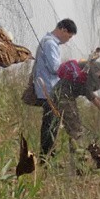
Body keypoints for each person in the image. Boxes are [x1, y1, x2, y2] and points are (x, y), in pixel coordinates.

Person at [49, 60, 100, 170]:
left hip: (64, 94)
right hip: (63, 95)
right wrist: (99, 106)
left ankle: (68, 161)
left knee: (68, 128)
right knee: (75, 129)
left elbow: (85, 88)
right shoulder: (99, 75)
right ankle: (79, 163)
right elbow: (87, 91)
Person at [33, 18, 77, 163]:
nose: (68, 40)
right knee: (50, 126)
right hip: (49, 90)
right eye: (69, 36)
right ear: (63, 30)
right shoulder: (50, 43)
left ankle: (47, 158)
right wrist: (71, 67)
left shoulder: (47, 41)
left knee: (51, 125)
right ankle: (45, 160)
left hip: (48, 89)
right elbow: (55, 68)